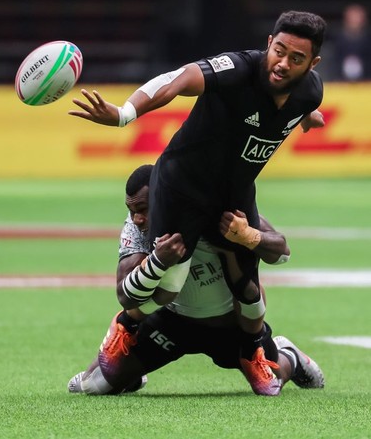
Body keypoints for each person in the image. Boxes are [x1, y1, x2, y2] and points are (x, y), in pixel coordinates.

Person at [69, 10, 327, 395]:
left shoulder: (310, 90)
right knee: (168, 287)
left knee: (248, 287)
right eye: (279, 50)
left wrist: (304, 118)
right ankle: (123, 332)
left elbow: (280, 251)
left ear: (312, 64)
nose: (283, 63)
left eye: (296, 59)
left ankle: (273, 352)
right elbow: (178, 79)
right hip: (182, 189)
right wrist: (126, 113)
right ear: (268, 44)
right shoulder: (238, 69)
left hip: (234, 195)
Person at [68, 165, 324, 396]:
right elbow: (125, 295)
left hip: (230, 323)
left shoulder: (214, 208)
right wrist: (157, 260)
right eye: (132, 210)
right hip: (172, 321)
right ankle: (132, 375)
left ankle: (289, 354)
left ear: (161, 197)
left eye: (143, 209)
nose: (137, 219)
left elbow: (281, 250)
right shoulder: (136, 225)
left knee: (275, 378)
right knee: (95, 385)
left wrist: (248, 235)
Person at [332, 3, 371, 81]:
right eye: (352, 17)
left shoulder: (368, 40)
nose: (355, 21)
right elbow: (333, 63)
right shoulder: (337, 40)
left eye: (357, 17)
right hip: (341, 83)